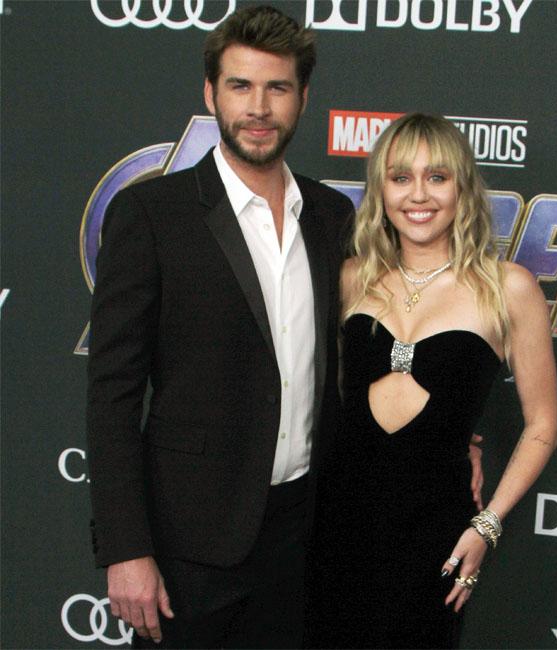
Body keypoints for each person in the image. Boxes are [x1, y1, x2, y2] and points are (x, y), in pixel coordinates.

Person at [85, 6, 355, 648]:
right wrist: (126, 549)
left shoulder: (331, 214)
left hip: (305, 534)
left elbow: (363, 356)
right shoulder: (152, 214)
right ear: (211, 93)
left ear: (303, 97)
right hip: (190, 545)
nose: (258, 108)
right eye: (240, 86)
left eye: (277, 87)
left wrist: (459, 433)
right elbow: (112, 394)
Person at [308, 113, 557, 649]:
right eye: (401, 178)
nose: (418, 195)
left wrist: (487, 526)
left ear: (462, 187)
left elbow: (543, 425)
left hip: (436, 533)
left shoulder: (507, 288)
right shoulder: (351, 277)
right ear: (381, 190)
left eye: (437, 177)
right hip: (334, 523)